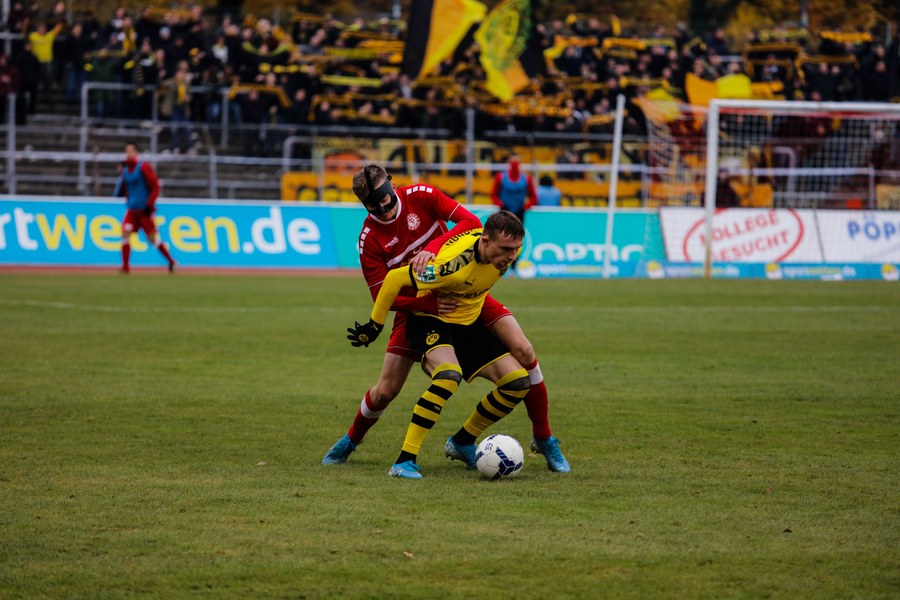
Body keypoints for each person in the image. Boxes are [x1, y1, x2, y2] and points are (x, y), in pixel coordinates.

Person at [322, 164, 570, 473]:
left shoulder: (422, 195)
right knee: (386, 390)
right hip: (419, 308)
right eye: (374, 207)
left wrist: (431, 249)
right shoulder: (369, 239)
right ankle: (351, 440)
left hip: (466, 292)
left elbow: (469, 222)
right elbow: (382, 294)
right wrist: (429, 303)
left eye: (386, 200)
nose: (384, 211)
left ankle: (543, 437)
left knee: (524, 352)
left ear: (393, 186)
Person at [347, 211, 534, 479]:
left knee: (517, 383)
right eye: (506, 249)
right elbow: (394, 279)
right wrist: (375, 325)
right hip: (430, 322)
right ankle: (404, 461)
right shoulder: (450, 266)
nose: (512, 256)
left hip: (468, 324)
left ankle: (462, 441)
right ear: (485, 241)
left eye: (516, 249)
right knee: (447, 376)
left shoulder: (505, 254)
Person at [113, 142, 176, 274]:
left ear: (136, 153)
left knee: (152, 238)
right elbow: (124, 188)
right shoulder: (125, 170)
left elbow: (155, 186)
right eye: (127, 151)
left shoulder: (143, 167)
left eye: (131, 151)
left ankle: (171, 261)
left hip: (144, 210)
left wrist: (149, 204)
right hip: (132, 209)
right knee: (125, 233)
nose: (128, 154)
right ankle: (125, 267)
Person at [490, 153, 537, 223]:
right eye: (513, 161)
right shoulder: (500, 177)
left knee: (518, 229)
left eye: (517, 161)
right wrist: (500, 204)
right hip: (504, 211)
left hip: (520, 212)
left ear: (520, 162)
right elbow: (493, 194)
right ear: (509, 162)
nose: (515, 164)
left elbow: (534, 197)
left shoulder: (527, 178)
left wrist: (526, 207)